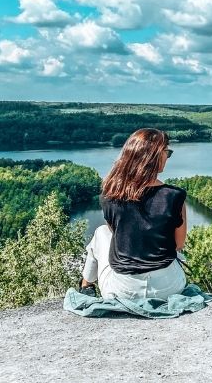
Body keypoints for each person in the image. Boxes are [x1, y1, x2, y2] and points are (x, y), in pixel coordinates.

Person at [79, 128, 188, 301]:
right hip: (169, 288)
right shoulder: (175, 196)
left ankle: (85, 286)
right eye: (167, 152)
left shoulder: (109, 195)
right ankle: (86, 285)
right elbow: (179, 244)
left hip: (123, 292)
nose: (167, 157)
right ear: (154, 155)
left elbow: (116, 233)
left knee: (101, 233)